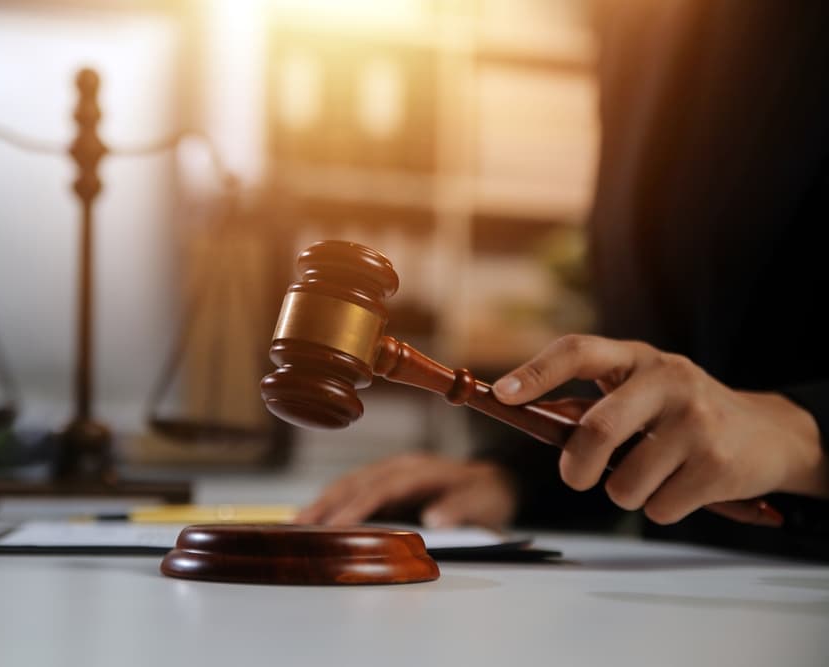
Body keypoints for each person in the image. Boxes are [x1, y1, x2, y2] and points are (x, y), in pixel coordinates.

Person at [297, 0, 829, 560]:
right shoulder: (636, 23)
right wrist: (515, 477)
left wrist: (805, 434)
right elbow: (651, 363)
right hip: (681, 592)